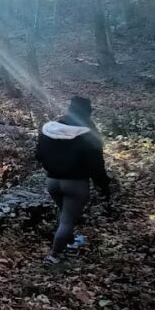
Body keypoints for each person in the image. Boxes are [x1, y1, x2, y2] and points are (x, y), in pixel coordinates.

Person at [35, 96, 110, 264]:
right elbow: (97, 164)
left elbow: (38, 155)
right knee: (67, 220)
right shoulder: (89, 133)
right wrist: (103, 186)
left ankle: (69, 242)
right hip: (76, 184)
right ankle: (54, 257)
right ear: (87, 112)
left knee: (64, 215)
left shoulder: (50, 129)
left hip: (52, 182)